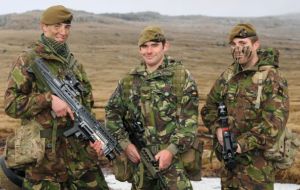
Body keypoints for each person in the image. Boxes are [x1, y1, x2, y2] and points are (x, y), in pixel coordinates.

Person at [4, 5, 109, 189]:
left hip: (81, 161)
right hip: (44, 163)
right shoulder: (28, 60)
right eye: (57, 26)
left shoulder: (74, 64)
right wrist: (48, 100)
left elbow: (86, 107)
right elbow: (11, 104)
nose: (63, 32)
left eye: (67, 27)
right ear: (44, 26)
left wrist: (94, 138)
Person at [93, 26, 199, 189]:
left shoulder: (181, 77)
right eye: (144, 46)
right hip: (140, 165)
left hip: (173, 164)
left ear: (165, 46)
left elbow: (189, 123)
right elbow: (112, 113)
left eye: (154, 45)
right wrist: (125, 144)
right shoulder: (129, 80)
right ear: (139, 49)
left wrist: (171, 150)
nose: (149, 51)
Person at [201, 23, 289, 190]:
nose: (238, 48)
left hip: (257, 171)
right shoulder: (227, 76)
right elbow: (209, 109)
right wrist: (218, 129)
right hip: (229, 169)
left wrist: (240, 144)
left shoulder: (272, 78)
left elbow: (274, 124)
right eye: (234, 44)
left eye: (243, 43)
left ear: (256, 44)